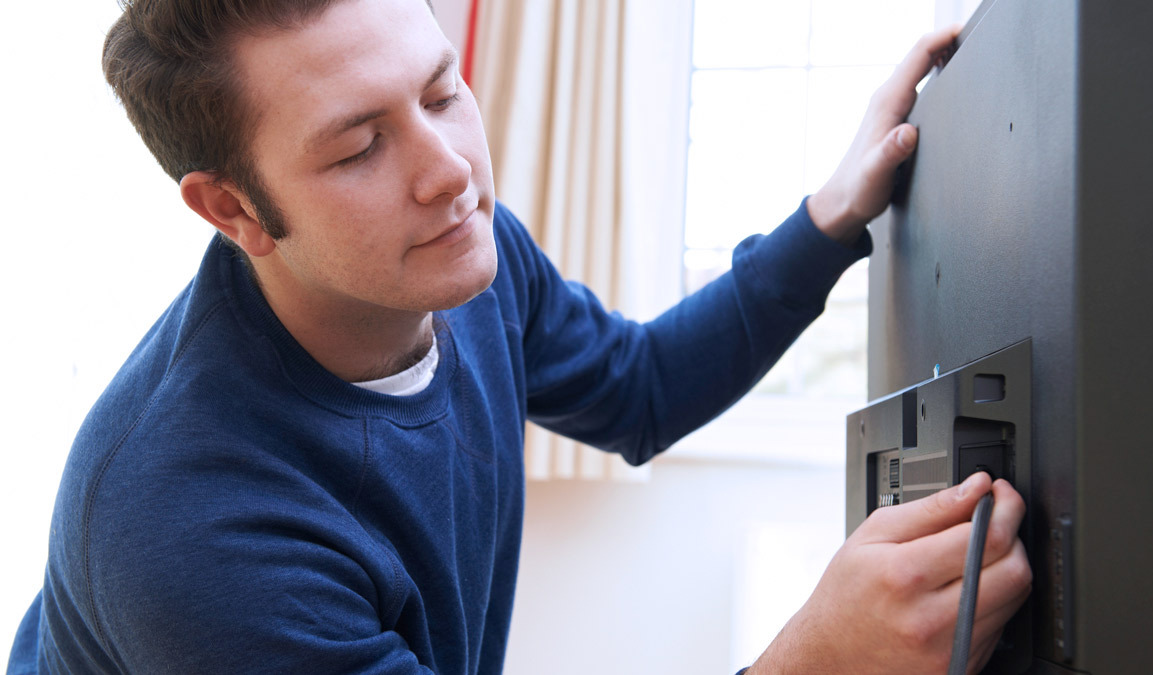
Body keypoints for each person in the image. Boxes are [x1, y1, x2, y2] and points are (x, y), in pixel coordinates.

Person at [5, 0, 1031, 673]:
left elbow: (639, 389)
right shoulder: (194, 534)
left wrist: (829, 221)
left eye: (443, 92)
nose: (451, 168)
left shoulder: (457, 262)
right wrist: (820, 658)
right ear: (231, 208)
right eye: (361, 145)